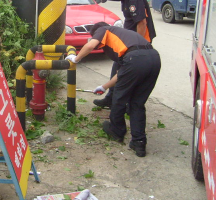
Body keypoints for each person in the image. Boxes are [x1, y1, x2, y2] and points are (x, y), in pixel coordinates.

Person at [66, 22, 161, 157]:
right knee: (137, 103)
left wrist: (75, 59)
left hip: (135, 60)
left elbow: (90, 45)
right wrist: (104, 87)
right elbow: (123, 73)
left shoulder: (104, 29)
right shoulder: (126, 39)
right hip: (154, 59)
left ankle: (116, 131)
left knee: (119, 98)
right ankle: (139, 143)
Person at [94, 0, 156, 109]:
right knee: (117, 68)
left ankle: (127, 104)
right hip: (128, 42)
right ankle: (111, 98)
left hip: (135, 44)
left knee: (129, 73)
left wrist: (138, 46)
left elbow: (141, 23)